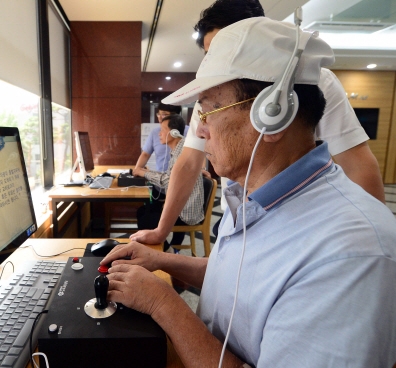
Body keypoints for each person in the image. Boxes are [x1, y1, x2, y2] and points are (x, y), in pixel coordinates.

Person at [101, 17, 396, 367]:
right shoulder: (251, 195)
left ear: (272, 115)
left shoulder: (348, 257)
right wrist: (160, 260)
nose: (202, 130)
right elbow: (242, 279)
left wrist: (162, 303)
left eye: (210, 111)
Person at [130, 0, 385, 246]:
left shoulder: (314, 82)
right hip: (238, 217)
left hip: (300, 225)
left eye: (224, 50)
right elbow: (188, 163)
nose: (213, 65)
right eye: (210, 54)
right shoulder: (212, 95)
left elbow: (357, 162)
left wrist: (371, 236)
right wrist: (161, 230)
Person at [133, 114, 205, 252]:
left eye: (162, 130)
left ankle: (166, 251)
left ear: (173, 133)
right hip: (183, 206)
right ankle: (168, 249)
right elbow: (170, 177)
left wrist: (143, 173)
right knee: (144, 211)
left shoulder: (181, 153)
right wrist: (147, 172)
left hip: (186, 212)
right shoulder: (179, 149)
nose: (159, 134)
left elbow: (168, 181)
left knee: (146, 217)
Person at [134, 103, 187, 174]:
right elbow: (145, 154)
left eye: (164, 114)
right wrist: (137, 170)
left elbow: (168, 179)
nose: (160, 117)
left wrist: (145, 174)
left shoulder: (189, 134)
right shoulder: (155, 132)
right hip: (160, 179)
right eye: (158, 114)